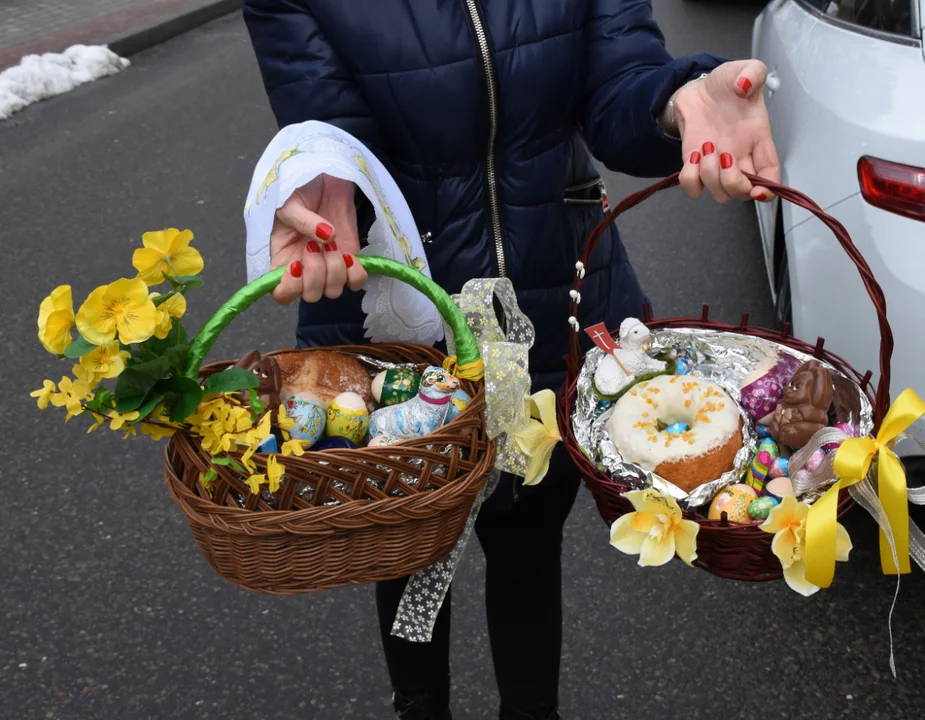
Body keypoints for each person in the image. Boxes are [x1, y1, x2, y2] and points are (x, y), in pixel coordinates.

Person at [241, 2, 780, 718]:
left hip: (548, 299)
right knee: (408, 544)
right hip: (397, 313)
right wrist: (326, 176)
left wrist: (671, 100)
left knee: (528, 536)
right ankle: (419, 706)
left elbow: (616, 87)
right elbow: (331, 125)